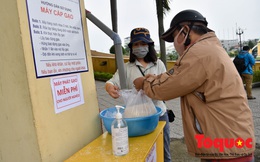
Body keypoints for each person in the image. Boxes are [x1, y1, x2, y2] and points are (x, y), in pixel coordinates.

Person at [133, 10, 255, 162]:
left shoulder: (198, 53)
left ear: (184, 31)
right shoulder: (210, 48)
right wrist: (153, 79)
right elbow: (175, 77)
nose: (174, 43)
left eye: (174, 37)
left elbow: (164, 88)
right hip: (228, 138)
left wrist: (144, 82)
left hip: (225, 145)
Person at [105, 27, 172, 162]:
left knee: (164, 153)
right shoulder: (127, 67)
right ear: (131, 47)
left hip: (159, 115)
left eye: (143, 44)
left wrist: (149, 81)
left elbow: (166, 88)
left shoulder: (158, 64)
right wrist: (109, 87)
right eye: (136, 44)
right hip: (136, 119)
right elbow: (112, 81)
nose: (139, 47)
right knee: (141, 152)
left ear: (149, 45)